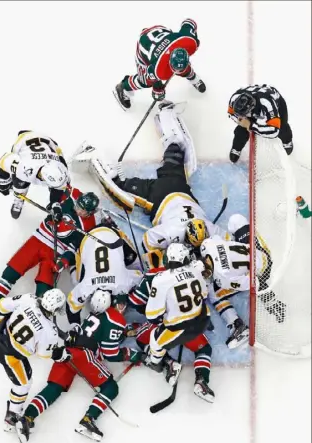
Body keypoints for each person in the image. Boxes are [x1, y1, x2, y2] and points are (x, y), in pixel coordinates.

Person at [91, 100, 228, 254]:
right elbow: (147, 242)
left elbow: (228, 238)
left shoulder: (210, 228)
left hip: (178, 186)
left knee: (174, 154)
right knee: (119, 190)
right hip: (158, 197)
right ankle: (95, 158)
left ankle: (167, 115)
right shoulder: (177, 231)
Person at [15, 290, 143, 443]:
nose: (122, 308)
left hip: (68, 351)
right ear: (114, 303)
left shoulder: (94, 314)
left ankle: (27, 418)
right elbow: (110, 353)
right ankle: (88, 421)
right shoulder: (115, 318)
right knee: (111, 388)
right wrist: (131, 354)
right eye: (121, 304)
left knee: (54, 388)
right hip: (84, 356)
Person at [0, 189, 99, 326]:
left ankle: (35, 323)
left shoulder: (88, 226)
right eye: (78, 205)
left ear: (90, 213)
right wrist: (55, 207)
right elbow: (56, 190)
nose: (77, 209)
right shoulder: (73, 194)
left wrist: (64, 261)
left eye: (82, 210)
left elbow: (75, 249)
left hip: (55, 253)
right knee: (13, 269)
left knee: (44, 288)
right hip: (38, 239)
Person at [127, 261, 215, 402]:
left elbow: (137, 304)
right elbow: (203, 298)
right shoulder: (192, 271)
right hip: (194, 322)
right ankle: (201, 381)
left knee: (142, 337)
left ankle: (167, 362)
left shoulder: (154, 276)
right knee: (204, 349)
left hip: (171, 327)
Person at [0, 289, 68, 432]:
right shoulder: (50, 332)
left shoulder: (29, 298)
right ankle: (11, 417)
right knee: (24, 383)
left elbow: (0, 307)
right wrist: (61, 355)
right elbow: (44, 354)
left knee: (27, 373)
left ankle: (13, 412)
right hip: (9, 355)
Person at [141, 243, 212, 384]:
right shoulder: (196, 270)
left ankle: (155, 363)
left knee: (154, 340)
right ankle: (202, 381)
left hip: (179, 329)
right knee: (205, 348)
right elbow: (204, 295)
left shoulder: (160, 279)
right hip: (203, 320)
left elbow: (152, 316)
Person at [114, 19, 205, 110]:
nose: (176, 72)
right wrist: (158, 90)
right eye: (175, 69)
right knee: (144, 81)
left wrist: (194, 36)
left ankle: (193, 78)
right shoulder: (158, 69)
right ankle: (124, 87)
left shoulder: (190, 42)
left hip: (160, 31)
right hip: (144, 45)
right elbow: (152, 77)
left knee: (184, 69)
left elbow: (189, 22)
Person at [66, 221, 142, 324]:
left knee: (138, 265)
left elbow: (140, 275)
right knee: (79, 281)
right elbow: (140, 277)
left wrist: (75, 326)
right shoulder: (88, 287)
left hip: (100, 236)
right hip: (90, 238)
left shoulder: (122, 284)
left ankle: (110, 224)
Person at [225, 214, 286, 323]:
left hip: (260, 264)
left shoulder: (240, 236)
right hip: (267, 258)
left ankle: (275, 306)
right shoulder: (251, 229)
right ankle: (275, 305)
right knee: (261, 283)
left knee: (258, 284)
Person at [0, 130, 70, 219]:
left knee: (61, 187)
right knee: (20, 180)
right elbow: (4, 159)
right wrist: (4, 182)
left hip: (48, 141)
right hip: (24, 140)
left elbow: (59, 188)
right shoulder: (24, 167)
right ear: (43, 178)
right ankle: (19, 198)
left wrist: (55, 204)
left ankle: (20, 195)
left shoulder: (62, 168)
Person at [227, 85, 294, 163]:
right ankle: (236, 148)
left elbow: (274, 131)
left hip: (275, 102)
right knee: (241, 128)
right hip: (256, 101)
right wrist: (242, 122)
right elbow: (230, 114)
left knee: (282, 126)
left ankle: (287, 141)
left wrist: (251, 125)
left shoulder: (267, 104)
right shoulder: (234, 98)